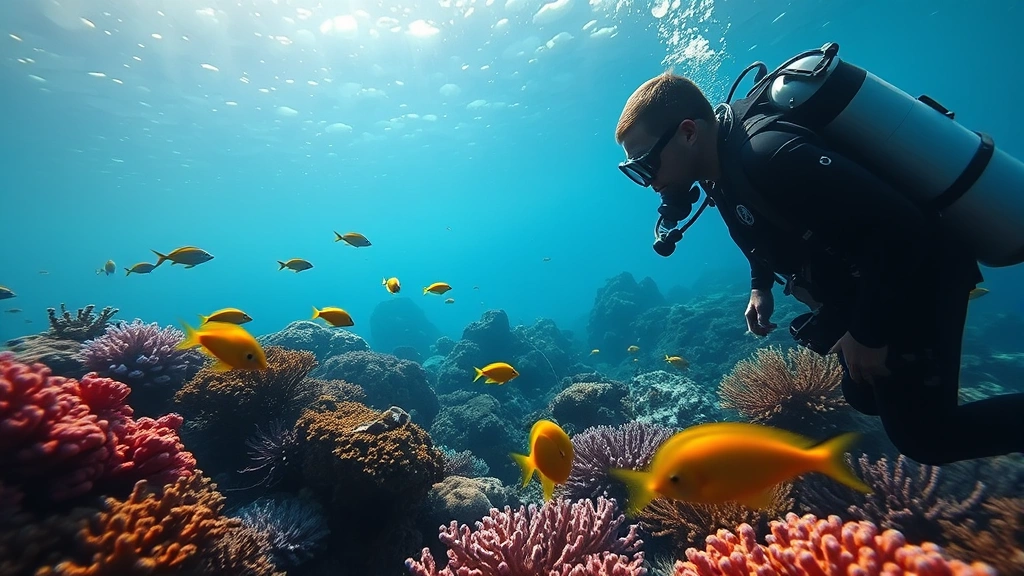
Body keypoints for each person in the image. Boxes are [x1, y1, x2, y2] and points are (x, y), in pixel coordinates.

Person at [613, 70, 1024, 466]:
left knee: (927, 437)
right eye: (634, 171)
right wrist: (761, 286)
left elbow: (906, 230)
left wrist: (868, 333)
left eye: (646, 162)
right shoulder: (718, 168)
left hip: (923, 270)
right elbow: (753, 225)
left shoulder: (772, 156)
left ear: (688, 132)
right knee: (863, 394)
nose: (647, 181)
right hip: (872, 277)